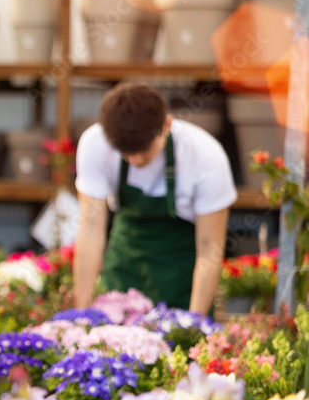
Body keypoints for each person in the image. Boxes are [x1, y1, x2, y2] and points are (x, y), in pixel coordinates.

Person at [73, 82, 237, 315]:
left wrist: (194, 323)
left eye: (143, 150)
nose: (135, 160)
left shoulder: (206, 158)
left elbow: (210, 249)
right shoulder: (95, 144)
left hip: (181, 278)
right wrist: (81, 314)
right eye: (125, 152)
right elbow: (90, 228)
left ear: (167, 125)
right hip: (124, 269)